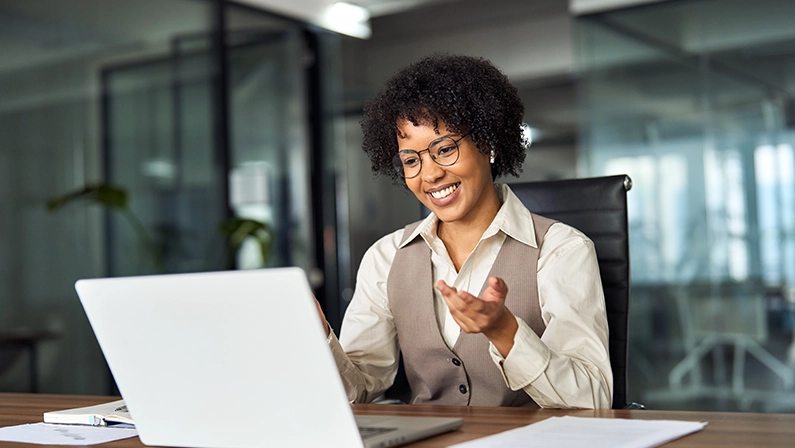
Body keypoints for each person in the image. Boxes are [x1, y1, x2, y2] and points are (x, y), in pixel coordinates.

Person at [316, 53, 612, 409]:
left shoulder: (561, 250)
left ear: (487, 143)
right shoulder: (386, 257)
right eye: (412, 160)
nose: (430, 175)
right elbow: (359, 390)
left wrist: (505, 331)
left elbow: (593, 401)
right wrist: (319, 338)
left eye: (444, 149)